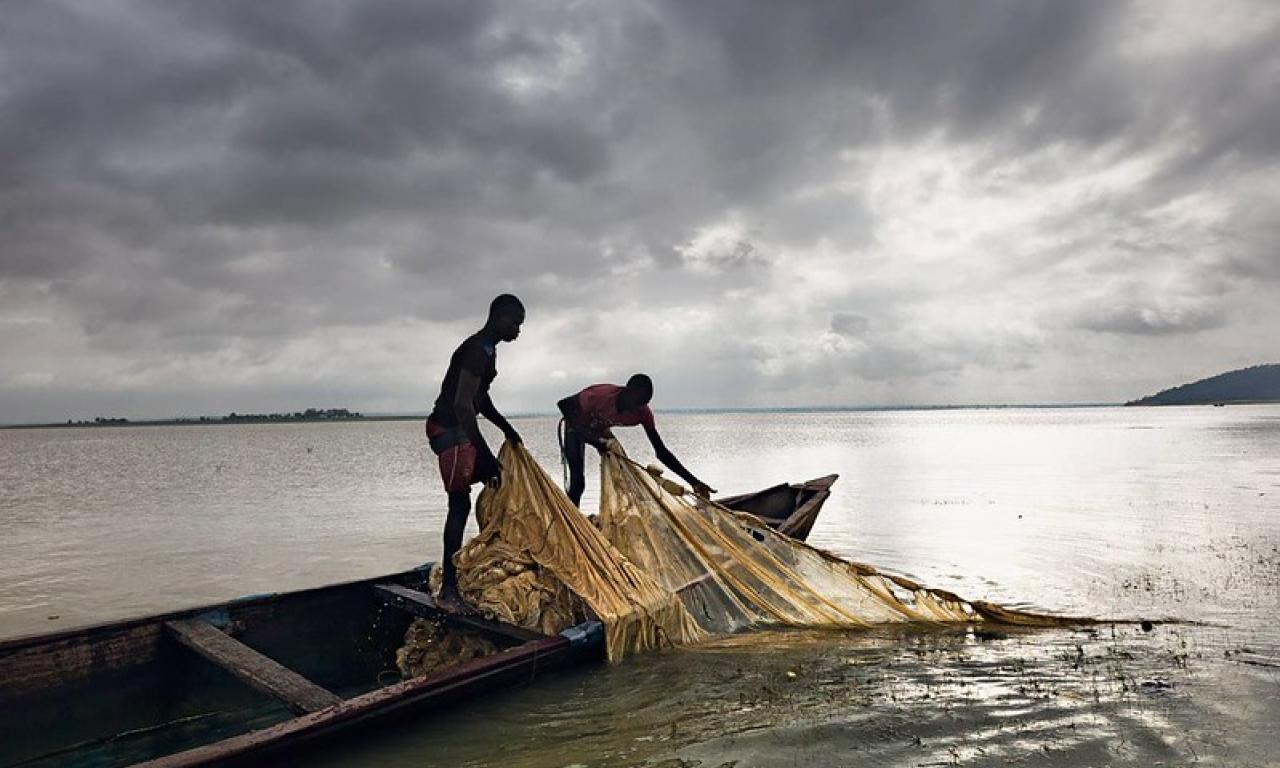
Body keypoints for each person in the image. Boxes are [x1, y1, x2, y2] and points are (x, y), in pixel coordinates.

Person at [426, 294, 524, 613]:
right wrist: (484, 454)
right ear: (498, 317)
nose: (518, 331)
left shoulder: (489, 351)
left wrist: (506, 428)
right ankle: (449, 590)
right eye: (515, 323)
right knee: (460, 503)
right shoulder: (476, 349)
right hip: (448, 431)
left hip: (461, 430)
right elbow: (461, 405)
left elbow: (481, 401)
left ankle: (483, 560)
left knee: (497, 484)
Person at [557, 374, 715, 506]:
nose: (636, 408)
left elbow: (661, 452)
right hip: (576, 424)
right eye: (635, 401)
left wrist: (693, 481)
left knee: (623, 473)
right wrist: (592, 438)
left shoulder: (642, 414)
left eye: (642, 403)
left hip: (599, 429)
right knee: (578, 481)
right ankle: (572, 522)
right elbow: (564, 405)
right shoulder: (601, 395)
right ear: (626, 392)